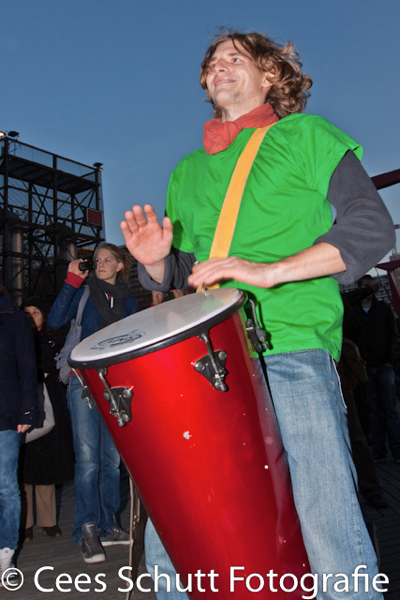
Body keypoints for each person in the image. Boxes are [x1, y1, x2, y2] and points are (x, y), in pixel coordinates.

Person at [121, 30, 395, 599]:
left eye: (235, 58)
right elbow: (193, 270)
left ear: (271, 75)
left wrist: (268, 270)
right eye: (211, 63)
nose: (218, 68)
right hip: (206, 359)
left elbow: (370, 230)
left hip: (291, 342)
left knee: (327, 518)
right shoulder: (186, 171)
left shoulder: (309, 135)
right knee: (182, 524)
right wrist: (156, 264)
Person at [48, 243, 138, 563]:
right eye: (97, 260)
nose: (100, 264)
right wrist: (70, 282)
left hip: (114, 382)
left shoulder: (129, 301)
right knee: (88, 459)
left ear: (119, 266)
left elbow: (134, 342)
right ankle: (87, 528)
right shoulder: (84, 293)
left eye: (106, 260)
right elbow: (55, 319)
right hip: (83, 380)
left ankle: (109, 522)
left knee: (111, 459)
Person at [20, 296, 75, 542]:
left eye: (36, 312)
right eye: (27, 312)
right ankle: (25, 523)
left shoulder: (53, 340)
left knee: (47, 466)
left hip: (49, 403)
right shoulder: (16, 339)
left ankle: (48, 521)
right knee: (24, 468)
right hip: (23, 405)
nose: (31, 316)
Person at [0, 283, 38, 585]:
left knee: (6, 489)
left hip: (6, 414)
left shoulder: (13, 316)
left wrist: (27, 410)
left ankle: (6, 555)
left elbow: (27, 366)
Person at [349, 274, 400, 462]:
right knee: (373, 411)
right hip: (365, 366)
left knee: (389, 409)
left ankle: (396, 450)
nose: (371, 289)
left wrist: (389, 361)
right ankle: (379, 451)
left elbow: (394, 336)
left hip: (383, 365)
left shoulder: (384, 310)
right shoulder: (354, 312)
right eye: (367, 287)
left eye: (372, 286)